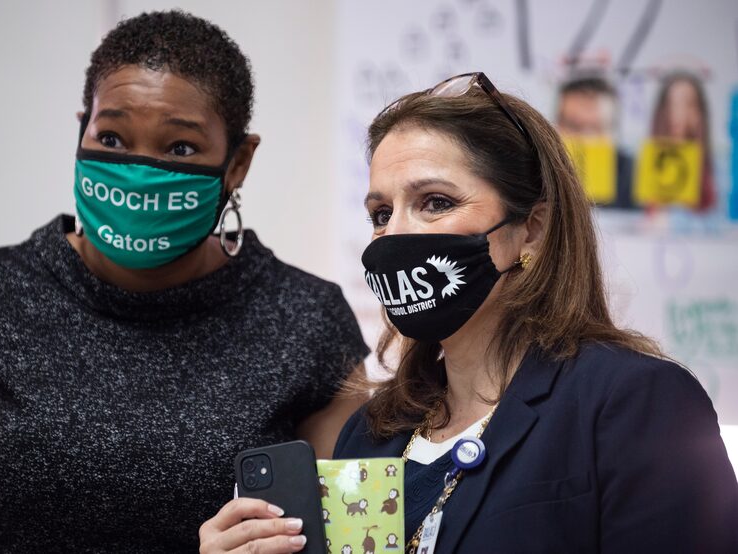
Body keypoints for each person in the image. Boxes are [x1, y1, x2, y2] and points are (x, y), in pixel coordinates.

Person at [202, 72, 738, 553]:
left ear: (531, 229)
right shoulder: (372, 430)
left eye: (435, 202)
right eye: (381, 213)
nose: (397, 234)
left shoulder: (635, 402)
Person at [0, 11, 367, 553]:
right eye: (112, 137)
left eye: (180, 148)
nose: (140, 170)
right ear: (82, 131)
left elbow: (351, 540)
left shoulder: (309, 319)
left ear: (238, 163)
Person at [555, 76, 636, 209]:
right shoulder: (535, 174)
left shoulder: (633, 177)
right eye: (574, 126)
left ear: (614, 133)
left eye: (598, 128)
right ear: (556, 128)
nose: (587, 139)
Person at [650, 71, 716, 212]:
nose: (679, 114)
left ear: (701, 113)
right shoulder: (641, 166)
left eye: (689, 104)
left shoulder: (719, 172)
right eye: (672, 104)